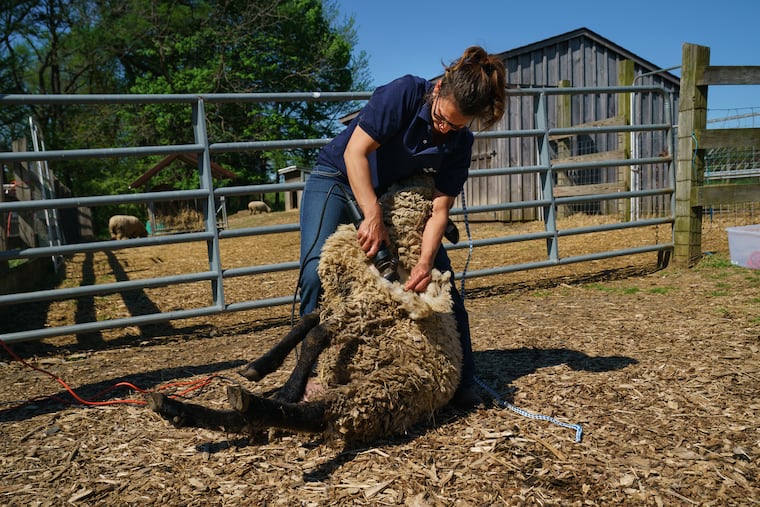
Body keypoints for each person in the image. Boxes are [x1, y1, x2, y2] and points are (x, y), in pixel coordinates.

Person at [298, 46, 506, 407]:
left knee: (443, 281)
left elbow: (440, 209)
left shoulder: (460, 141)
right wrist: (371, 214)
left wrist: (425, 262)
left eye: (456, 125)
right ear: (439, 88)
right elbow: (355, 153)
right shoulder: (406, 92)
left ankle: (463, 378)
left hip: (389, 192)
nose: (445, 129)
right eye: (442, 119)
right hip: (337, 177)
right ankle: (306, 375)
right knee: (317, 272)